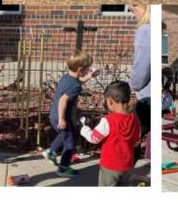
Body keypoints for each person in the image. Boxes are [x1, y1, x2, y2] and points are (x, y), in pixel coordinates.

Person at [43, 50, 99, 178]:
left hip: (54, 114)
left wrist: (89, 76)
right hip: (62, 116)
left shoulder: (67, 77)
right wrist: (62, 119)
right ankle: (63, 169)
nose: (88, 70)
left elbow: (77, 83)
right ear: (80, 69)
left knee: (65, 135)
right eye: (87, 69)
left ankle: (50, 151)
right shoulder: (75, 85)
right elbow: (63, 100)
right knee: (70, 143)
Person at [80, 81, 141, 186]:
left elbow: (94, 138)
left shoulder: (108, 121)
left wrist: (85, 130)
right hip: (128, 166)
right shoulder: (134, 120)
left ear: (110, 101)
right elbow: (136, 141)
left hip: (110, 167)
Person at [129, 5, 150, 160]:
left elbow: (140, 73)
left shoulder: (145, 31)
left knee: (133, 137)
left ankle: (122, 171)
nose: (133, 13)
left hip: (146, 98)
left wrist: (133, 85)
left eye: (132, 9)